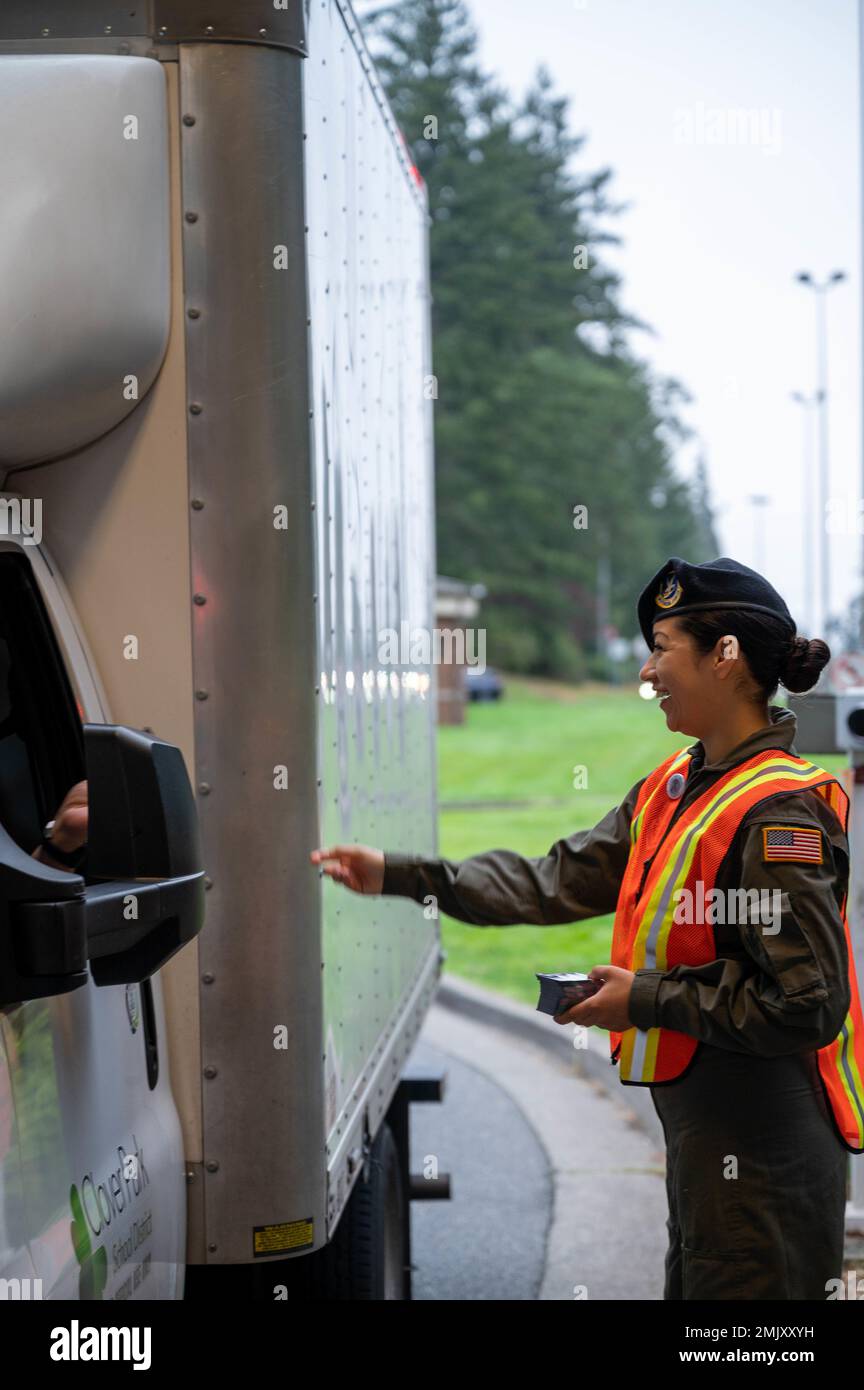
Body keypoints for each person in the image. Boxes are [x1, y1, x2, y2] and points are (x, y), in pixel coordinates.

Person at [310, 555, 864, 1301]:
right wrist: (406, 876)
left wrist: (644, 998)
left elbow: (806, 1002)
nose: (647, 671)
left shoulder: (778, 812)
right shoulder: (676, 785)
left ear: (726, 656)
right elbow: (556, 879)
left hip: (762, 1150)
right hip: (710, 1144)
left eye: (663, 647)